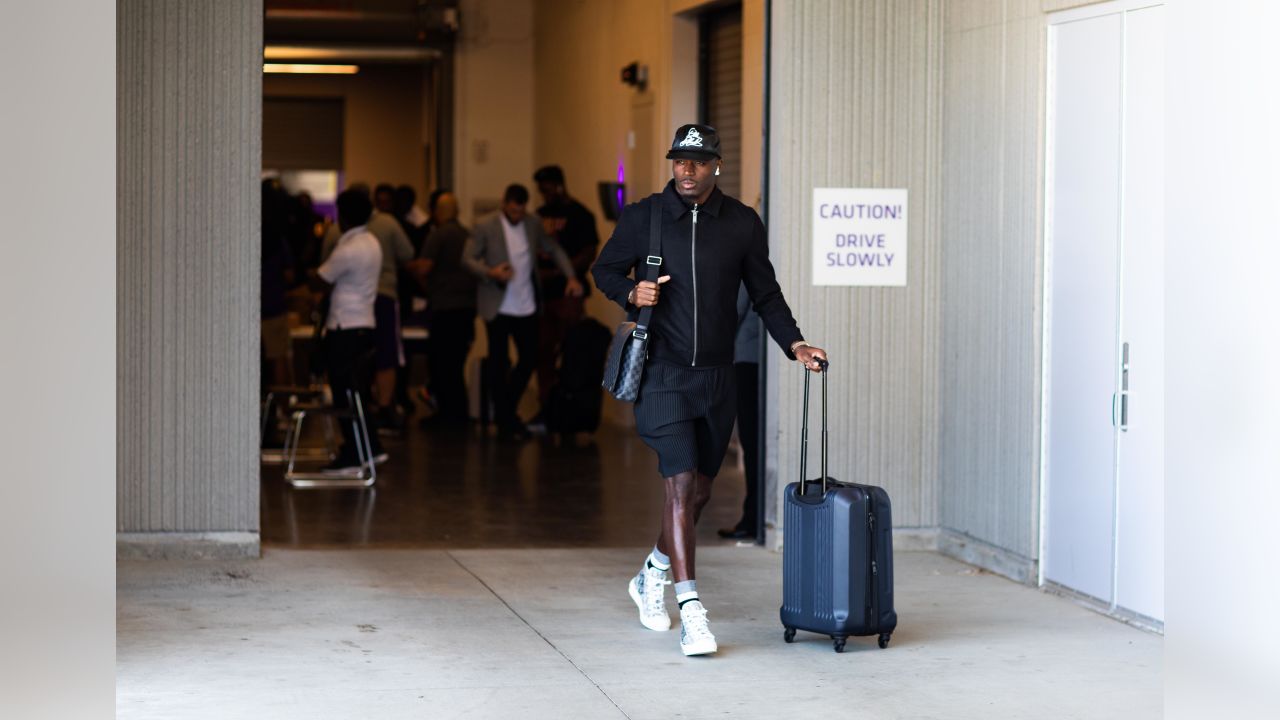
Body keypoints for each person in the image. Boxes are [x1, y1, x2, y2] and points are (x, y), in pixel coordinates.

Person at [591, 123, 828, 657]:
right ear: (672, 163)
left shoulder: (741, 223)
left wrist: (795, 345)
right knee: (678, 485)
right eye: (679, 160)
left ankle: (651, 572)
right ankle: (691, 610)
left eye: (697, 162)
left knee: (698, 492)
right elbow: (603, 270)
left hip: (716, 378)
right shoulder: (645, 217)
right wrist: (633, 290)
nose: (687, 170)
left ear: (716, 165)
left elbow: (766, 294)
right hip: (664, 375)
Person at [463, 184, 582, 440]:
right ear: (504, 203)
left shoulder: (532, 223)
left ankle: (505, 411)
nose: (516, 215)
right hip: (497, 303)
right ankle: (507, 420)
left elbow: (553, 249)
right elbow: (468, 259)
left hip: (526, 303)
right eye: (513, 211)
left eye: (520, 211)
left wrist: (570, 276)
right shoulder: (486, 225)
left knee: (529, 358)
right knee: (498, 360)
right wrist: (490, 272)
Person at [312, 188, 386, 473]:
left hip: (343, 327)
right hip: (365, 324)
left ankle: (354, 455)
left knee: (343, 394)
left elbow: (319, 280)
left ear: (343, 215)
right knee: (358, 392)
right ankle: (370, 447)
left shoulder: (348, 248)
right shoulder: (372, 242)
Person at [531, 165, 600, 430]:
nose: (544, 195)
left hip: (568, 294)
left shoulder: (580, 215)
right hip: (542, 296)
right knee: (542, 353)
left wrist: (565, 271)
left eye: (547, 189)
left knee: (570, 352)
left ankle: (569, 408)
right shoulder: (537, 217)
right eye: (541, 191)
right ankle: (547, 409)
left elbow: (589, 251)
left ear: (559, 185)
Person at [416, 191, 477, 428]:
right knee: (456, 363)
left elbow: (423, 269)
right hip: (467, 308)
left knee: (441, 363)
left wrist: (419, 277)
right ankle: (458, 413)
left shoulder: (439, 236)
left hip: (444, 308)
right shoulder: (468, 236)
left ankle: (446, 414)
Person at [719, 284, 761, 540]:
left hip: (748, 359)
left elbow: (734, 310)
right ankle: (753, 517)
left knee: (753, 440)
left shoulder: (747, 251)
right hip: (755, 357)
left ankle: (752, 519)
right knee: (755, 442)